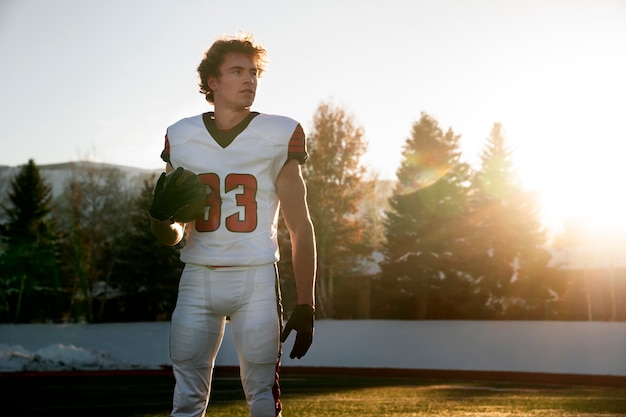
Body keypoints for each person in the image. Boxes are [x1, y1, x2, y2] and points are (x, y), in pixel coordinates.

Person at [148, 33, 317, 417]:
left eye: (254, 72)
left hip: (255, 277)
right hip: (196, 275)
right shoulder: (181, 135)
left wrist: (306, 302)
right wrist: (159, 220)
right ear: (212, 81)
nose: (249, 80)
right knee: (186, 399)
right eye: (237, 71)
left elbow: (299, 226)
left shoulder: (279, 132)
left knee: (260, 395)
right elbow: (174, 234)